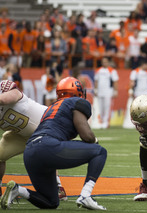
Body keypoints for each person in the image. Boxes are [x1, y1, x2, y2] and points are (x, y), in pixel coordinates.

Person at [0, 77, 107, 210]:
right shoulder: (76, 102)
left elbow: (7, 98)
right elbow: (86, 136)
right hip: (41, 142)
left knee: (51, 202)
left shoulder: (51, 107)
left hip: (30, 149)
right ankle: (85, 195)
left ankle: (19, 190)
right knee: (100, 151)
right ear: (78, 92)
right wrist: (94, 142)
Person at [0, 80, 67, 200]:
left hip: (46, 124)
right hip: (20, 134)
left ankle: (58, 187)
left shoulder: (5, 87)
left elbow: (6, 99)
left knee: (44, 150)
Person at [94, 57, 119, 129]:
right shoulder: (98, 70)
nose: (104, 63)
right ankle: (100, 121)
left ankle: (106, 122)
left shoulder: (112, 71)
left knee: (107, 107)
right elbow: (96, 81)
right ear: (101, 63)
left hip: (108, 91)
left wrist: (115, 91)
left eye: (106, 62)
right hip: (100, 91)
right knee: (100, 107)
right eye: (103, 62)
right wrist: (95, 90)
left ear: (108, 62)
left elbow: (115, 82)